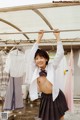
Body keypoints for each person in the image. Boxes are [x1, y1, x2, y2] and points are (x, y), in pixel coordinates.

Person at [26, 30, 68, 120]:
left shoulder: (52, 66)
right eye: (37, 58)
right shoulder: (35, 69)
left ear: (46, 59)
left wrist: (57, 37)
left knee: (60, 117)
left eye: (41, 57)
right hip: (45, 97)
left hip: (55, 96)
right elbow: (31, 56)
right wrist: (39, 39)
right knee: (47, 117)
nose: (39, 60)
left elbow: (60, 54)